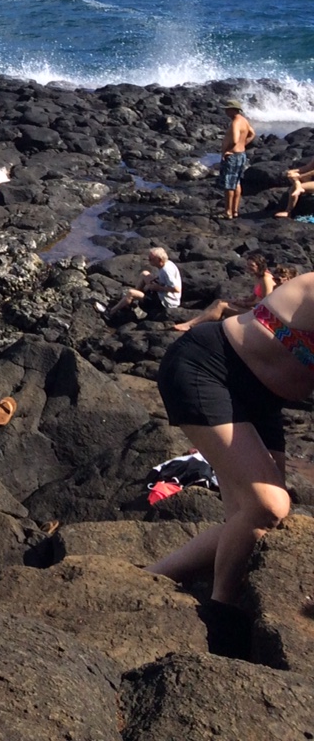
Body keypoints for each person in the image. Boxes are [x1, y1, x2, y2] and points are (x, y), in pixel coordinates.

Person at [146, 272, 314, 653]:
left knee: (255, 520)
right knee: (268, 506)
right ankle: (220, 612)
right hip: (208, 367)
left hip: (260, 401)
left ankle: (152, 576)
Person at [173, 251, 274, 333]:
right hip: (253, 308)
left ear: (259, 265)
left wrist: (245, 304)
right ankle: (194, 323)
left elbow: (266, 301)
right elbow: (254, 296)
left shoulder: (266, 279)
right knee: (219, 301)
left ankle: (191, 325)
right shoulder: (259, 277)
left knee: (221, 306)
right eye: (248, 265)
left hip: (259, 314)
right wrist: (241, 301)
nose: (249, 268)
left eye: (252, 265)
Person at [113, 246, 182, 321]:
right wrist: (156, 281)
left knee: (131, 293)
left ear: (159, 260)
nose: (149, 260)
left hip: (165, 302)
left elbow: (177, 289)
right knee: (144, 274)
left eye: (151, 259)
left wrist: (158, 288)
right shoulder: (167, 263)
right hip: (162, 293)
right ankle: (133, 299)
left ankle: (112, 311)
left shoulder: (167, 271)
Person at [219, 100, 256, 220]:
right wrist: (243, 144)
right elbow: (252, 134)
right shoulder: (244, 120)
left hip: (233, 156)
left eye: (227, 109)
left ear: (233, 110)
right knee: (237, 182)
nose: (225, 111)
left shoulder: (235, 123)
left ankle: (228, 212)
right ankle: (235, 211)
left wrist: (228, 150)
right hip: (241, 154)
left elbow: (234, 140)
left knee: (229, 184)